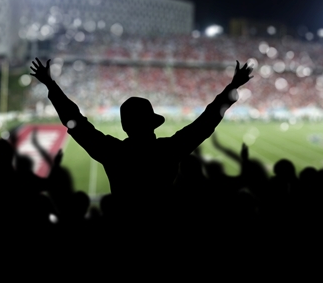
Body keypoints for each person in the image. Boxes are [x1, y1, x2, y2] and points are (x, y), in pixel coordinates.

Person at [30, 58, 253, 206]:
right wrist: (232, 88)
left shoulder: (113, 152)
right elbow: (206, 121)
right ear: (152, 124)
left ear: (126, 126)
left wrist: (51, 85)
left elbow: (76, 123)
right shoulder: (169, 150)